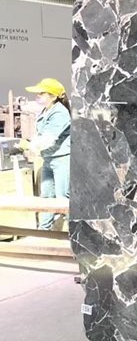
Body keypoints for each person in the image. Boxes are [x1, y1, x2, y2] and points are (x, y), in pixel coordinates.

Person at [18, 78, 71, 230]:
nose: (38, 96)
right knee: (47, 197)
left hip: (62, 160)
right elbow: (41, 134)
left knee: (63, 198)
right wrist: (29, 142)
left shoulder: (60, 112)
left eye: (42, 93)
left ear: (53, 96)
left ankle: (74, 234)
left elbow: (48, 138)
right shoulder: (46, 111)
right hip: (48, 159)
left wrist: (29, 145)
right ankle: (44, 231)